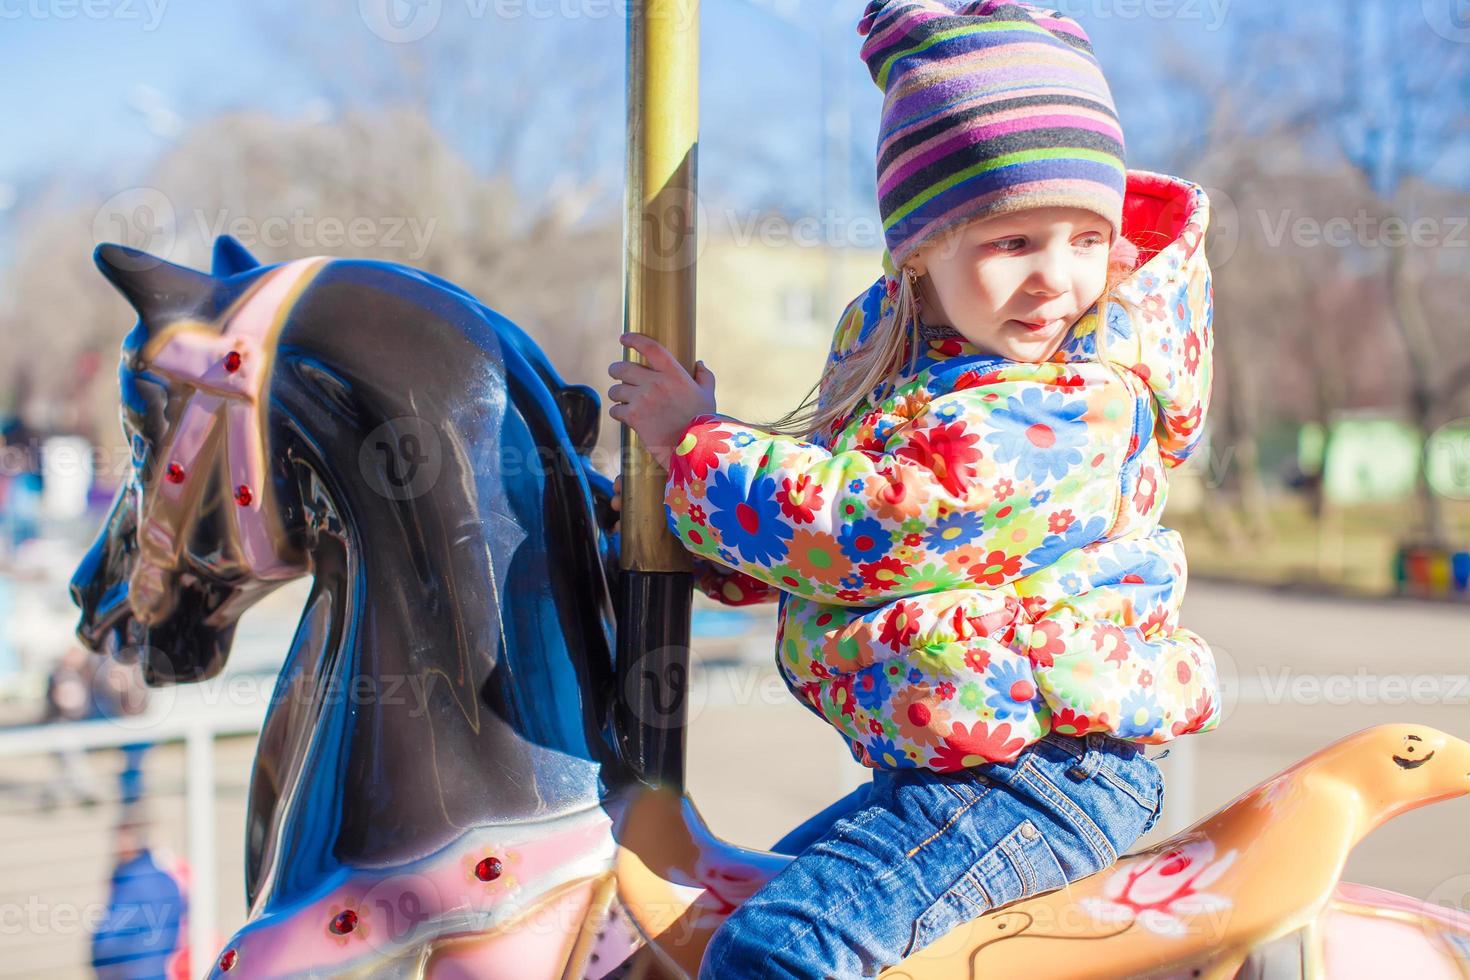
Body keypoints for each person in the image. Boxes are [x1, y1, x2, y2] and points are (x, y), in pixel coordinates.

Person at [606, 1, 1221, 974]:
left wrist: (694, 446)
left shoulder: (1070, 401)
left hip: (1046, 769)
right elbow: (843, 545)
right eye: (1013, 242)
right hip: (966, 762)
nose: (1057, 279)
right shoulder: (922, 367)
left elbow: (867, 522)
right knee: (700, 926)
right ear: (919, 250)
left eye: (1084, 238)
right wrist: (703, 543)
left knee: (779, 950)